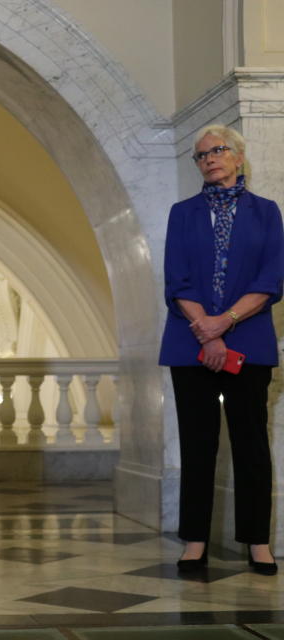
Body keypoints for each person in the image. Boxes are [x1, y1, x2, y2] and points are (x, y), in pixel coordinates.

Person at [160, 124, 283, 576]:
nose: (210, 159)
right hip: (188, 340)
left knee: (252, 445)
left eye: (218, 150)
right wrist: (207, 332)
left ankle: (258, 542)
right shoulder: (182, 213)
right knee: (197, 445)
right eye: (201, 155)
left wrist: (225, 323)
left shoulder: (267, 213)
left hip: (249, 342)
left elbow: (270, 283)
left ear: (238, 157)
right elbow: (176, 282)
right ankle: (194, 542)